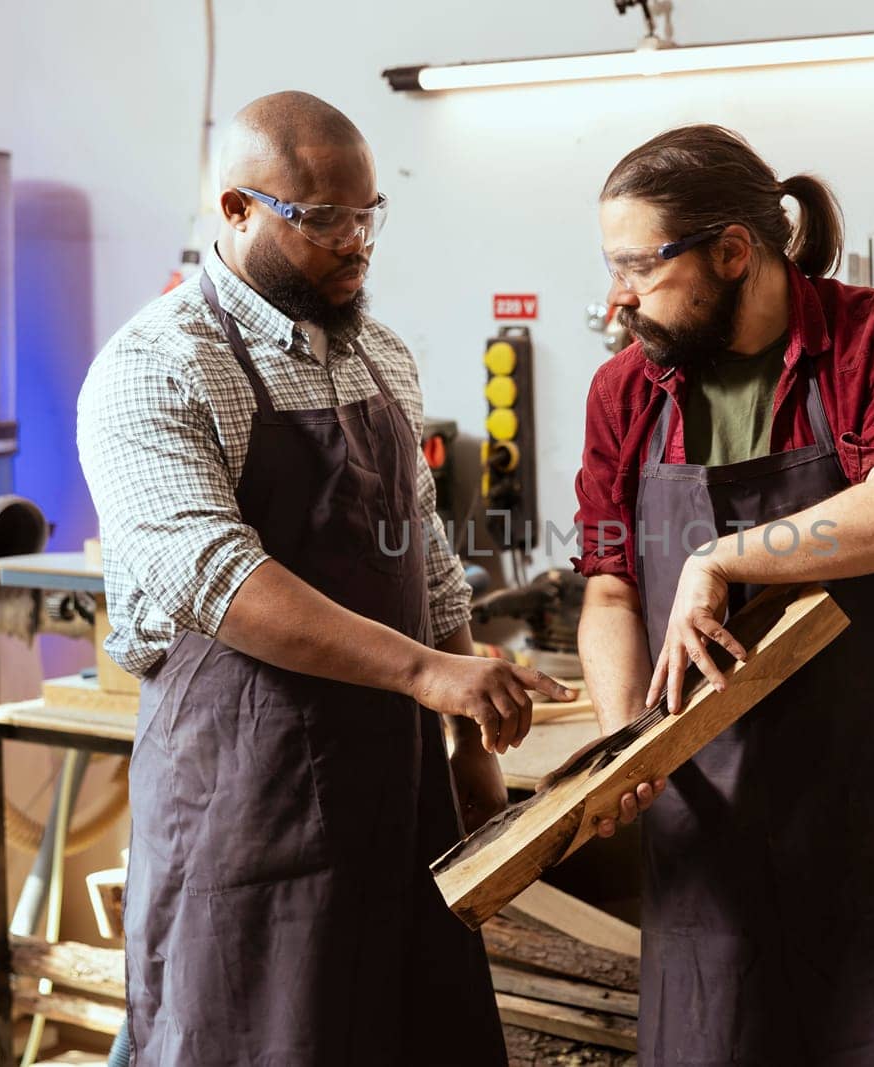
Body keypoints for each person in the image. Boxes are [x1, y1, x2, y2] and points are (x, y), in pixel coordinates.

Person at [77, 90, 570, 1065]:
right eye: (323, 219)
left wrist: (470, 729)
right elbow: (215, 575)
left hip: (399, 802)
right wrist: (428, 674)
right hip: (244, 813)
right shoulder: (154, 368)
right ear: (235, 209)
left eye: (369, 214)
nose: (356, 243)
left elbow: (423, 551)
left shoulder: (379, 356)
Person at [572, 125, 874, 1064]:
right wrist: (622, 742)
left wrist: (722, 557)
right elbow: (608, 586)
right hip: (704, 807)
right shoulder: (626, 391)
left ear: (732, 250)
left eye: (637, 266)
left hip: (872, 804)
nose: (617, 297)